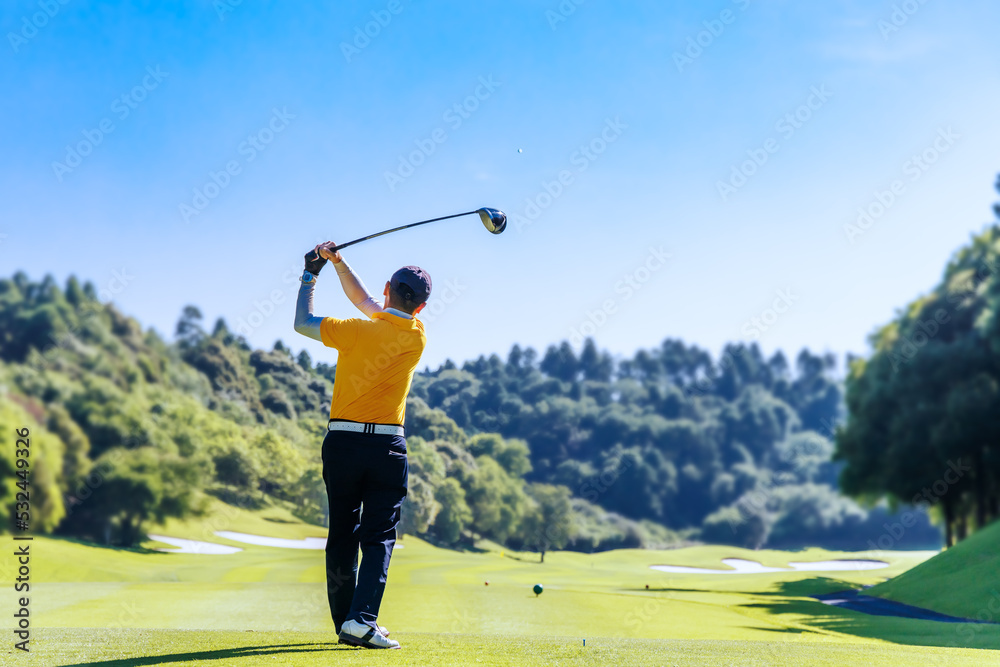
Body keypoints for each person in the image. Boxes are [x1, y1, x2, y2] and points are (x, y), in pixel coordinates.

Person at [293, 241, 431, 650]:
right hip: (387, 449)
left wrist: (311, 273)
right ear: (420, 307)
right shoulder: (416, 336)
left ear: (388, 287)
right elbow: (370, 303)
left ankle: (348, 621)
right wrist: (339, 263)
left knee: (342, 533)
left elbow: (303, 322)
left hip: (342, 444)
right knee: (379, 536)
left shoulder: (354, 331)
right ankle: (360, 618)